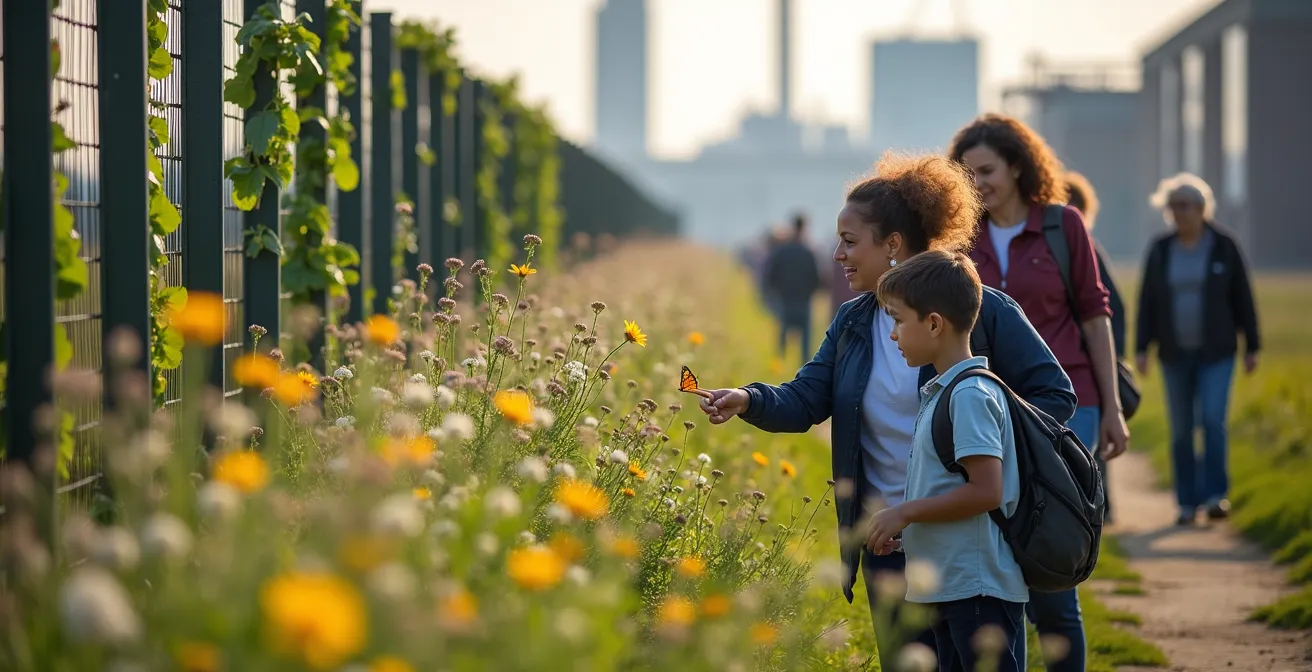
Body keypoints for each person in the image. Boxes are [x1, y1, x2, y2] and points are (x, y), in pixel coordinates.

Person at [696, 152, 1076, 671]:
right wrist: (750, 399)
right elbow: (809, 396)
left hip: (972, 545)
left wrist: (983, 442)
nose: (836, 255)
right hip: (887, 543)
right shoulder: (853, 321)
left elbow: (1054, 395)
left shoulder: (983, 311)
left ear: (893, 245)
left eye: (850, 242)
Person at [949, 113, 1128, 672]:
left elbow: (1096, 317)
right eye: (966, 173)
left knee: (1048, 556)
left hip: (1066, 405)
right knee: (1002, 562)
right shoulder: (958, 240)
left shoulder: (1061, 225)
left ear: (1018, 167)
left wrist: (1113, 410)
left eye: (987, 170)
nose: (977, 184)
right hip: (985, 411)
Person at [865, 250, 1028, 672]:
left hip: (975, 592)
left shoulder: (969, 395)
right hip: (950, 588)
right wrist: (913, 527)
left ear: (934, 323)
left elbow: (986, 490)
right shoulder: (944, 391)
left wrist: (905, 512)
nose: (894, 335)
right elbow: (948, 490)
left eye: (899, 321)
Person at [1135, 173, 1260, 526]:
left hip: (1217, 353)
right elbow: (1147, 302)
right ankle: (1187, 503)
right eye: (1173, 206)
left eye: (1186, 206)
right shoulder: (1160, 249)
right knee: (1180, 430)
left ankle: (1215, 495)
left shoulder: (1224, 246)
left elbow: (1243, 298)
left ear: (1203, 208)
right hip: (1174, 355)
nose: (1179, 212)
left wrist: (1253, 345)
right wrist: (1142, 348)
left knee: (1212, 421)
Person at [1064, 170, 1125, 523]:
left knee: (1092, 446)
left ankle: (1102, 507)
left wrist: (1114, 357)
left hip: (1087, 363)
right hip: (1070, 364)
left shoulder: (1086, 248)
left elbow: (1112, 308)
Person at [763, 213, 822, 364]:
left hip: (785, 300)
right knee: (806, 342)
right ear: (804, 228)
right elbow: (817, 279)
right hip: (804, 301)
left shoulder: (781, 251)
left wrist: (776, 294)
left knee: (782, 337)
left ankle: (779, 365)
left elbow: (771, 276)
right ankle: (804, 368)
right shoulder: (809, 252)